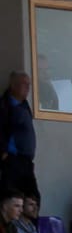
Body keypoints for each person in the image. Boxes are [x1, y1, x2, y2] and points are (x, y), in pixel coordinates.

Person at [0, 71, 38, 199]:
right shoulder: (4, 106)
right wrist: (3, 152)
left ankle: (27, 220)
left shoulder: (24, 105)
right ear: (13, 85)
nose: (28, 87)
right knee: (12, 198)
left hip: (26, 162)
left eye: (29, 84)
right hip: (13, 160)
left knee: (32, 198)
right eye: (24, 84)